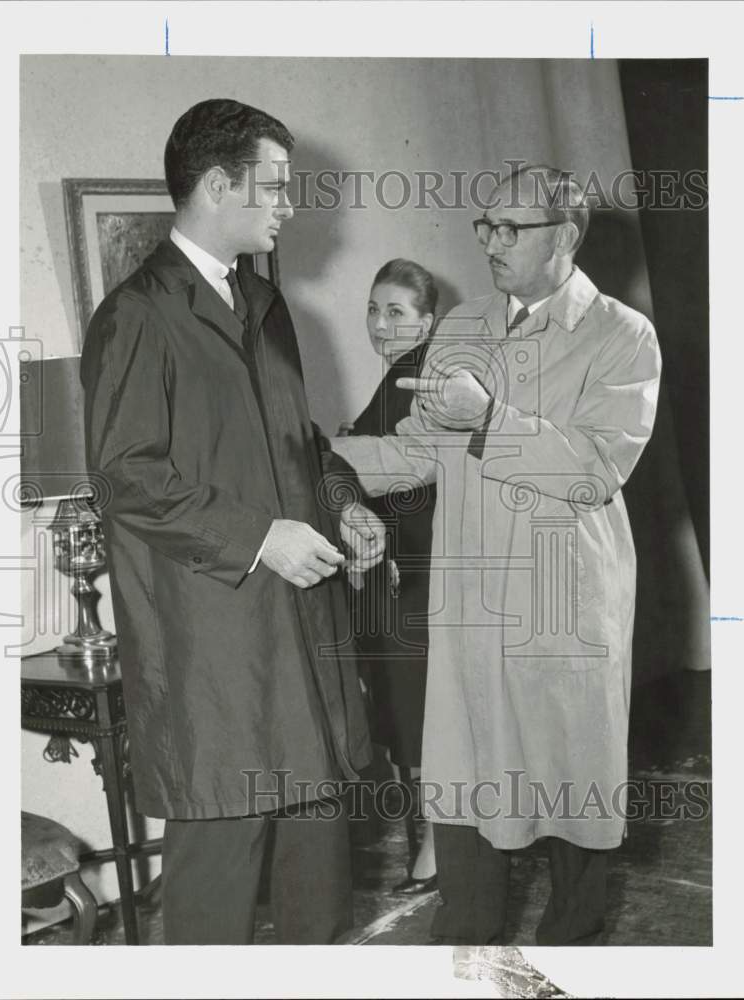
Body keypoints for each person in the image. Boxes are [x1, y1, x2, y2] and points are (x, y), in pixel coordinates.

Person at [80, 98, 385, 945]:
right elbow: (126, 476)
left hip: (301, 633)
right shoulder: (137, 316)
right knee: (216, 886)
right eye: (276, 186)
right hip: (215, 649)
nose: (290, 205)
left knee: (318, 879)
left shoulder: (266, 302)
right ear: (218, 185)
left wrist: (344, 503)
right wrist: (260, 537)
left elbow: (301, 443)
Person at [332, 164, 662, 945]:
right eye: (484, 226)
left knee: (571, 802)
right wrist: (319, 461)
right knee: (466, 790)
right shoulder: (462, 326)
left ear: (566, 237)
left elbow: (591, 470)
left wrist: (485, 422)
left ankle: (571, 955)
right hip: (469, 610)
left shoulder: (622, 333)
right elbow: (416, 449)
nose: (490, 242)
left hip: (562, 606)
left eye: (511, 228)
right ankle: (468, 959)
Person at [348, 259, 439, 894]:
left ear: (427, 322)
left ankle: (438, 847)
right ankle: (434, 842)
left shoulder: (420, 377)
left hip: (422, 572)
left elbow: (403, 468)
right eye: (375, 309)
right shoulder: (398, 376)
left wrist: (331, 449)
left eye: (397, 312)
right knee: (407, 711)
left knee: (419, 711)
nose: (381, 323)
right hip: (399, 571)